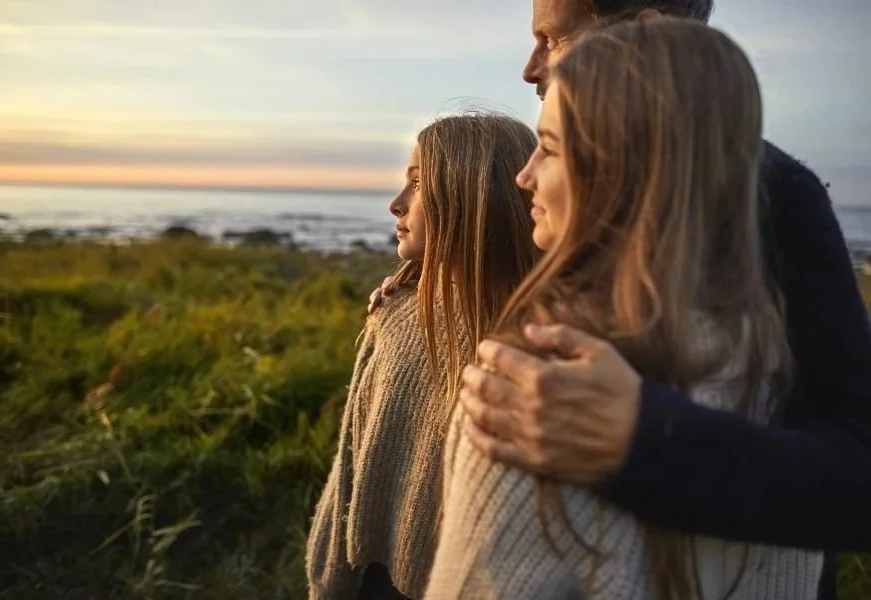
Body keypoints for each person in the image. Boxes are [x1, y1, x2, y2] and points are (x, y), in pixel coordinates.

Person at [450, 1, 871, 598]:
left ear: (647, 34)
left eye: (554, 38)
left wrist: (643, 438)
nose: (530, 66)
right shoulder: (587, 206)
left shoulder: (776, 193)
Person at [305, 112, 539, 600]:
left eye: (418, 183)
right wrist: (329, 578)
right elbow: (354, 459)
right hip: (370, 574)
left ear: (474, 197)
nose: (396, 205)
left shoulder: (539, 345)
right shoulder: (396, 315)